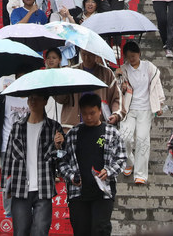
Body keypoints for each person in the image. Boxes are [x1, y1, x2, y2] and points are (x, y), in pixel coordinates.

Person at [56, 92, 128, 236]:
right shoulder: (73, 134)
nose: (88, 117)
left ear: (100, 110)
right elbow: (62, 162)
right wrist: (71, 176)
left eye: (92, 113)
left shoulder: (111, 132)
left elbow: (121, 158)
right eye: (84, 113)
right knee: (80, 230)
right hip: (78, 193)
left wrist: (108, 171)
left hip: (103, 191)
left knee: (100, 229)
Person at [2, 94, 64, 236]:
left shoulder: (54, 127)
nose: (32, 101)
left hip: (43, 188)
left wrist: (59, 147)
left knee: (40, 231)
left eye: (37, 98)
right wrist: (4, 185)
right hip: (20, 187)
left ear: (45, 100)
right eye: (30, 98)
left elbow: (61, 159)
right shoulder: (17, 127)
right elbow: (9, 156)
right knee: (20, 232)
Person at [118, 42, 164, 185]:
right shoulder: (123, 69)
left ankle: (140, 174)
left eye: (134, 55)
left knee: (143, 140)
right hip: (129, 109)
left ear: (139, 54)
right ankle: (129, 162)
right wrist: (121, 83)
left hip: (145, 109)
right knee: (124, 137)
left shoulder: (149, 67)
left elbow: (157, 86)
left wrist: (159, 103)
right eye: (128, 56)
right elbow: (117, 89)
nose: (131, 59)